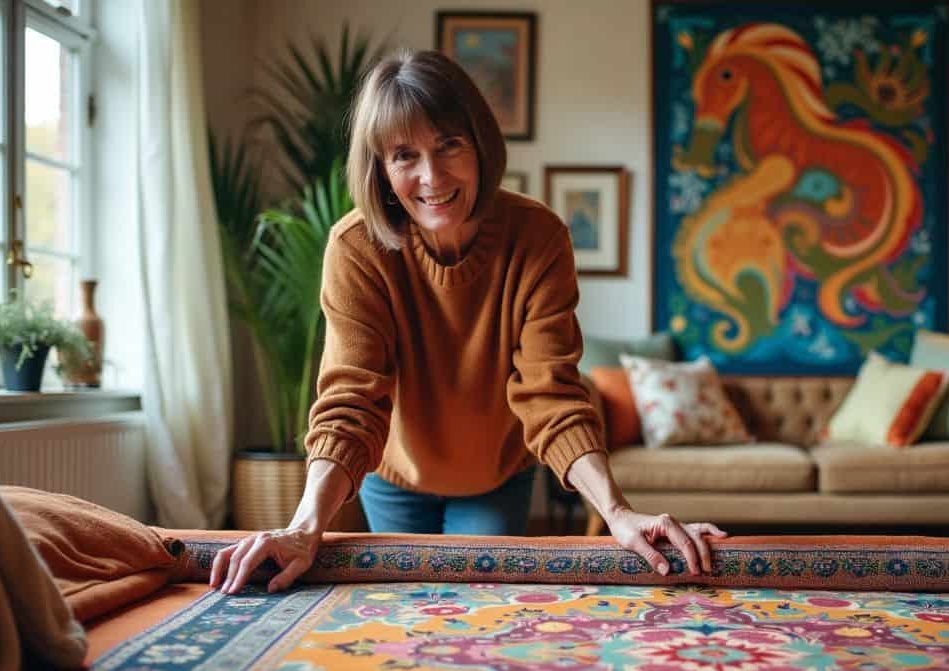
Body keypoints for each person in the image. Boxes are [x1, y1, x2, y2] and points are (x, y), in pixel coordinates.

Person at [210, 50, 728, 595]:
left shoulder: (537, 236)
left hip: (496, 477)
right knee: (406, 613)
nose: (431, 177)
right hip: (397, 477)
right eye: (404, 155)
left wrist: (617, 511)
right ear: (380, 169)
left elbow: (550, 392)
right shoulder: (355, 247)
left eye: (449, 145)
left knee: (481, 611)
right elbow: (352, 400)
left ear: (480, 144)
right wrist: (304, 526)